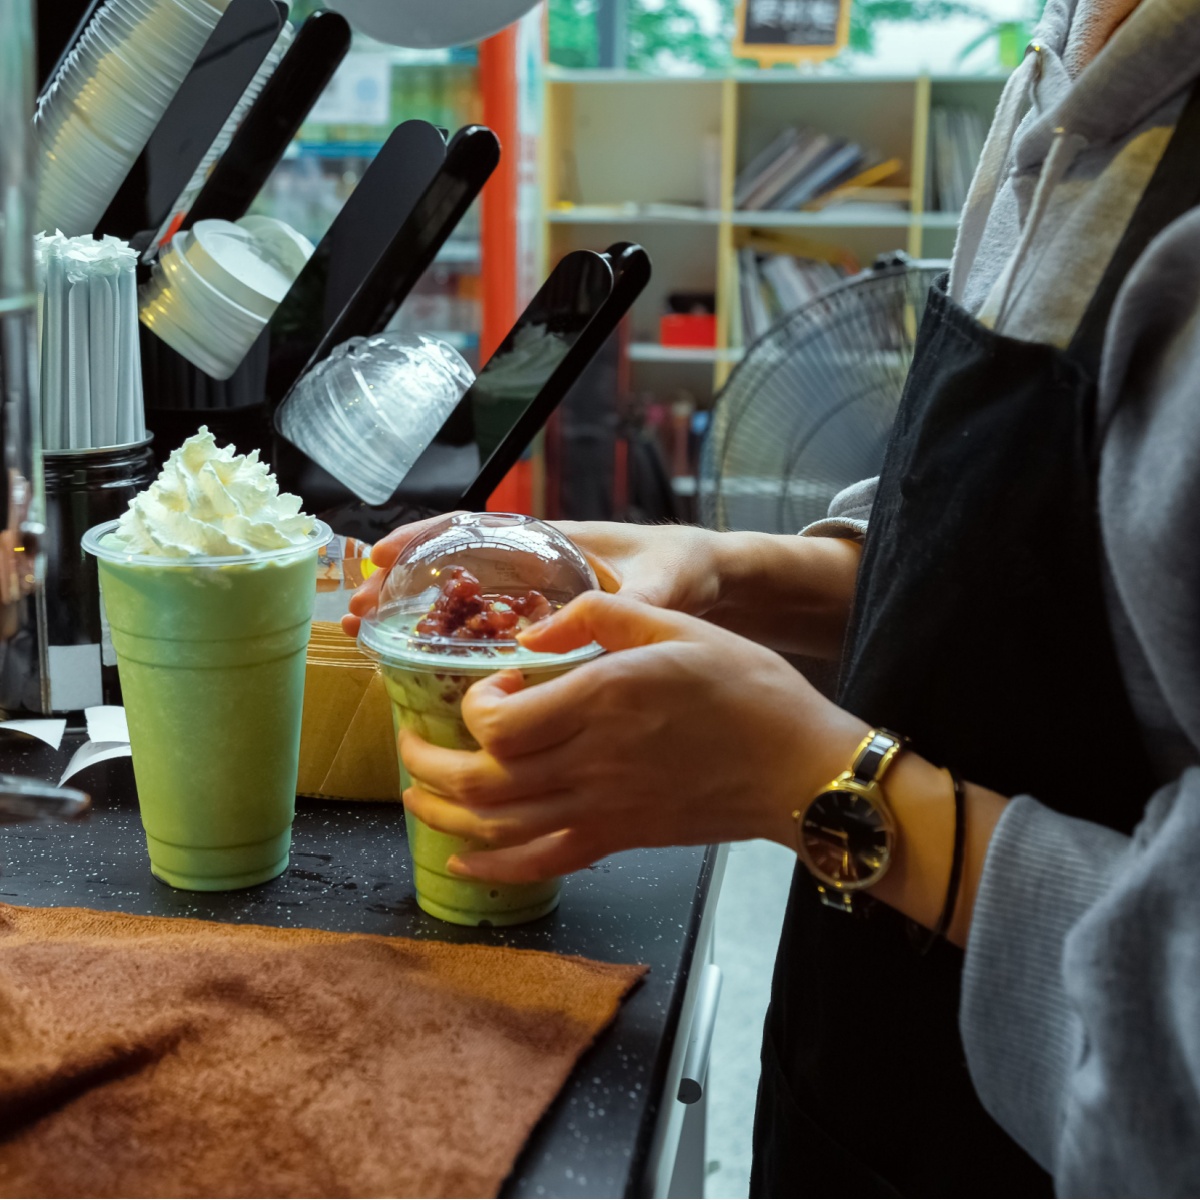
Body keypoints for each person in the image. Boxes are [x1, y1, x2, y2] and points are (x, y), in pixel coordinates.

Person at [344, 1, 1200, 1193]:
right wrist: (729, 571)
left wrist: (811, 785)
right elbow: (1023, 591)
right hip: (854, 1094)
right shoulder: (1064, 62)